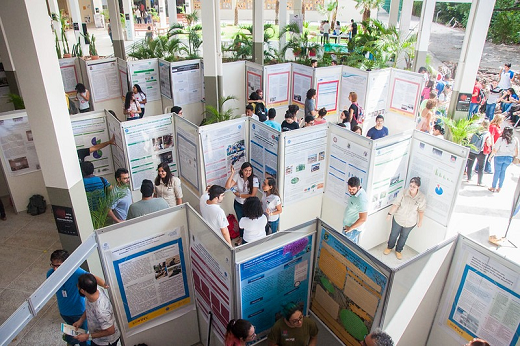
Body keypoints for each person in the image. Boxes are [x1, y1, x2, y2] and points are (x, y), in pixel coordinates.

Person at [47, 250, 108, 346]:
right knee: (72, 332)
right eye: (53, 265)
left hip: (79, 312)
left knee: (83, 339)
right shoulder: (50, 274)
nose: (55, 269)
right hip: (64, 311)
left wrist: (105, 285)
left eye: (58, 266)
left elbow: (92, 278)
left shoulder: (76, 272)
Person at [384, 177, 426, 260]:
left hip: (410, 222)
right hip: (399, 218)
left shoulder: (421, 197)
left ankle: (398, 250)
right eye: (410, 185)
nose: (411, 188)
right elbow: (396, 204)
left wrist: (420, 221)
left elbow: (421, 211)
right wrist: (389, 214)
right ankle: (389, 247)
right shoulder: (403, 192)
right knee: (393, 234)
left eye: (414, 186)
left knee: (404, 236)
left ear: (418, 187)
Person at [73, 273, 120, 346]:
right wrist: (81, 320)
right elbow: (89, 308)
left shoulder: (101, 310)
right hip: (96, 338)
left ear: (82, 291)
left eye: (78, 286)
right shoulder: (93, 290)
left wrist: (87, 337)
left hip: (106, 342)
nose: (77, 287)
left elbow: (111, 330)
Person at [225, 162, 259, 245]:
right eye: (246, 170)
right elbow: (228, 187)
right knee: (241, 221)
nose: (248, 172)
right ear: (242, 170)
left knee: (249, 221)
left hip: (249, 205)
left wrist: (239, 195)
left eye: (250, 170)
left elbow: (252, 195)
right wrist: (232, 174)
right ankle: (241, 237)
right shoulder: (237, 176)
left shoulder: (254, 179)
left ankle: (248, 237)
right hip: (238, 204)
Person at [488, 127, 519, 193]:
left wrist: (490, 156)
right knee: (503, 171)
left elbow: (495, 150)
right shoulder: (515, 139)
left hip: (499, 157)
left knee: (497, 171)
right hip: (509, 157)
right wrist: (514, 156)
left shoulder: (501, 139)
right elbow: (516, 151)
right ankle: (500, 187)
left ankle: (493, 187)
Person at [466, 120, 492, 187]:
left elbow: (470, 138)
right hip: (481, 152)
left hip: (472, 149)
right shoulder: (487, 133)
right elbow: (488, 143)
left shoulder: (476, 130)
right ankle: (479, 182)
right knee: (481, 167)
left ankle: (469, 178)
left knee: (470, 164)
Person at [342, 176, 368, 244]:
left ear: (359, 187)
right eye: (349, 189)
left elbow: (363, 218)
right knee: (353, 245)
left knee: (346, 246)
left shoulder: (361, 199)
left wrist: (350, 228)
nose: (350, 191)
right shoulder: (355, 194)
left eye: (353, 189)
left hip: (352, 229)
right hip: (348, 225)